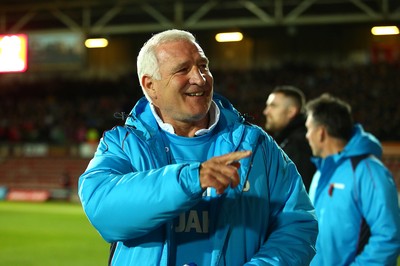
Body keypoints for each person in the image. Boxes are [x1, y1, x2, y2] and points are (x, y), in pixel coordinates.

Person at [78, 29, 318, 266]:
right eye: (183, 69)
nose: (200, 78)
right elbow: (103, 211)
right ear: (150, 85)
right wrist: (192, 178)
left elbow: (297, 224)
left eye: (203, 66)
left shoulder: (256, 145)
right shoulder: (123, 144)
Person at [305, 94, 400, 265]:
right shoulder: (320, 173)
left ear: (321, 132)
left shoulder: (368, 170)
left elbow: (388, 236)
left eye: (308, 129)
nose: (306, 136)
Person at [263, 86, 315, 191]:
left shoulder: (300, 145)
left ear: (291, 112)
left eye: (273, 106)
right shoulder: (287, 140)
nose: (266, 112)